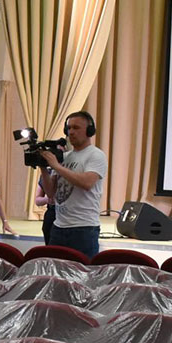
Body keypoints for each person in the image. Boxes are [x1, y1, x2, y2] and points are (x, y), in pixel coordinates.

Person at [38, 111, 108, 258]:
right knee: (54, 270)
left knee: (82, 270)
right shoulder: (64, 157)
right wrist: (43, 167)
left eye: (76, 128)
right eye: (68, 128)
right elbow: (50, 192)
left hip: (83, 228)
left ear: (89, 131)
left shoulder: (96, 155)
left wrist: (56, 166)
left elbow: (87, 182)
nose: (71, 132)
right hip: (58, 226)